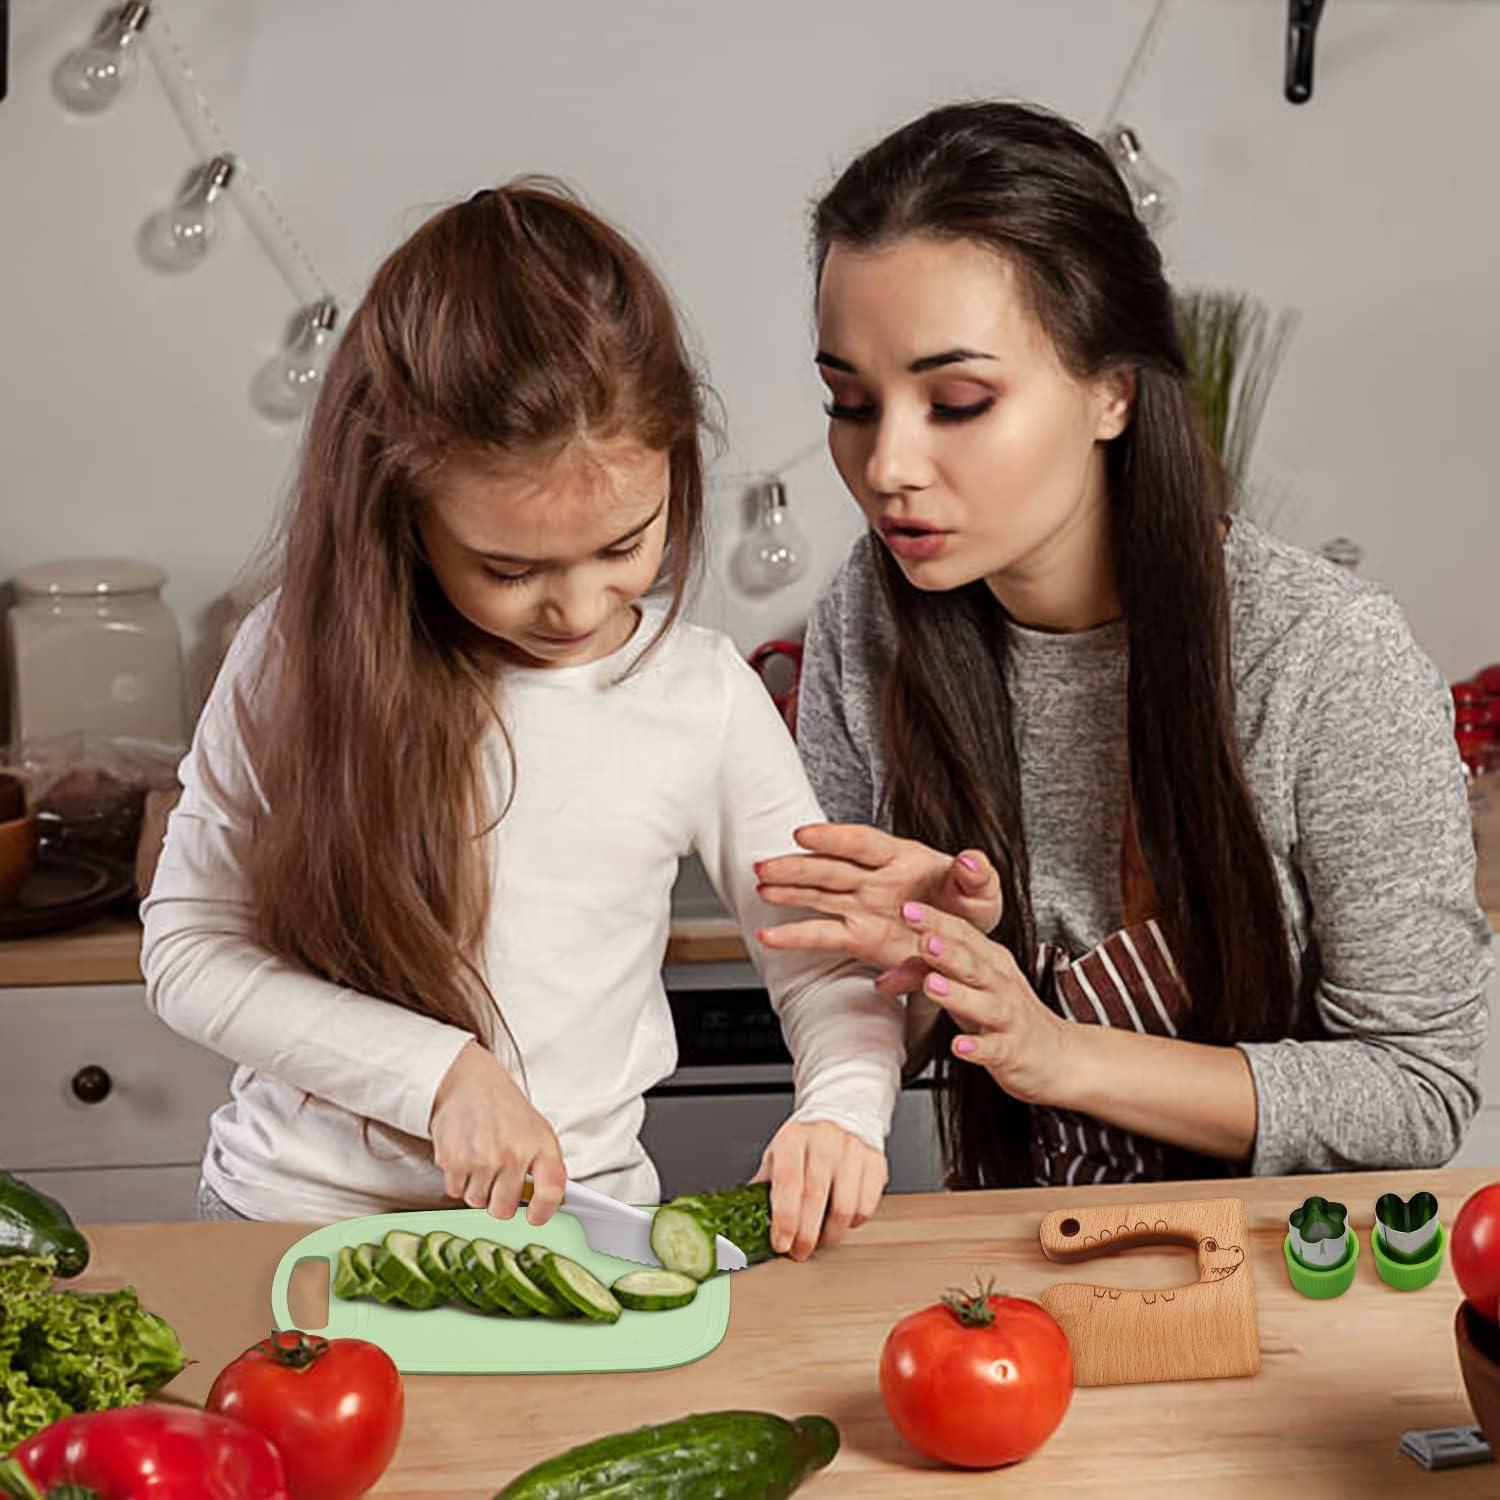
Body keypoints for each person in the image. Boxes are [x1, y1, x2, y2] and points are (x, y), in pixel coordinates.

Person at [142, 180, 904, 1259]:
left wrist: (840, 1109)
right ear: (399, 510)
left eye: (627, 545)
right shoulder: (291, 654)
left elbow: (826, 964)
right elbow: (188, 949)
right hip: (289, 1224)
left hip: (578, 1231)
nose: (581, 608)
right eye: (508, 567)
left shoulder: (701, 692)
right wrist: (439, 1074)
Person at [756, 101, 1491, 1189]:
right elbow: (883, 1018)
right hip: (1005, 1272)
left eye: (957, 401)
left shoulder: (1322, 659)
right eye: (849, 402)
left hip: (1285, 1285)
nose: (887, 465)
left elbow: (1418, 1091)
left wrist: (1064, 1057)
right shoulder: (871, 622)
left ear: (1111, 389)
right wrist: (919, 965)